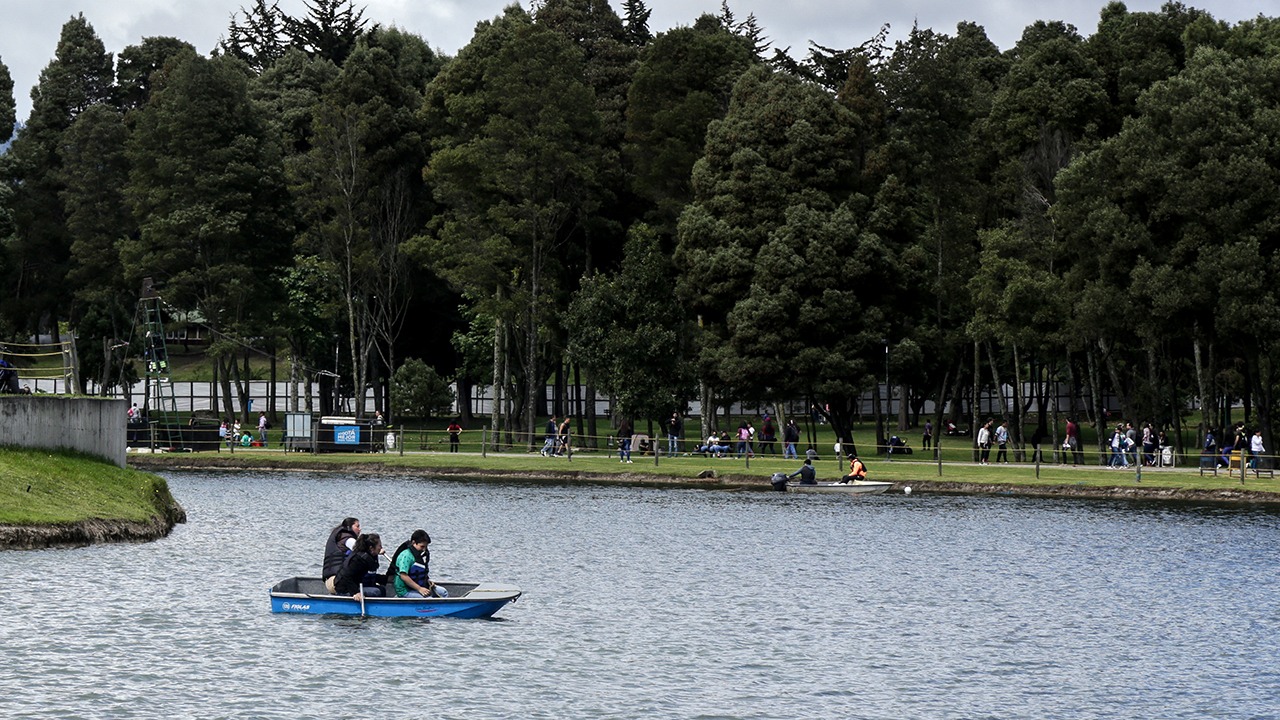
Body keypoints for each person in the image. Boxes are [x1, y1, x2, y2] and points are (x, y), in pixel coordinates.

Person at [388, 529, 443, 598]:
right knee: (429, 598)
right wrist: (419, 589)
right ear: (413, 542)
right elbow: (403, 576)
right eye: (422, 546)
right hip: (405, 591)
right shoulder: (406, 556)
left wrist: (427, 581)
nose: (424, 549)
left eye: (426, 547)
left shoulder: (417, 555)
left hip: (416, 587)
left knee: (443, 592)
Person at [332, 533, 384, 597]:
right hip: (345, 590)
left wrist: (386, 579)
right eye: (379, 546)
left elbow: (372, 570)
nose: (381, 548)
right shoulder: (359, 560)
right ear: (371, 548)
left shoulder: (367, 557)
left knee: (382, 589)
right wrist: (355, 593)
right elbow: (346, 576)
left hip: (353, 585)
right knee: (376, 592)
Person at [322, 517, 361, 593]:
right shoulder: (346, 539)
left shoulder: (341, 536)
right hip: (336, 581)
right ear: (349, 527)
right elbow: (360, 549)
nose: (360, 529)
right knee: (375, 591)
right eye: (357, 526)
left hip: (337, 580)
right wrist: (375, 548)